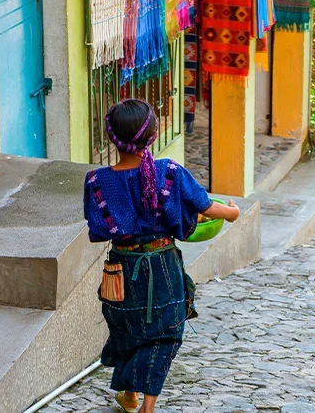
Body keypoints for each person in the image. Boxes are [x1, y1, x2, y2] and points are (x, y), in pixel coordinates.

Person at [84, 99, 240, 413]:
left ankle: (129, 395)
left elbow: (97, 225)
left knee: (128, 328)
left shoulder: (96, 181)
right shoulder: (168, 171)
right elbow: (205, 205)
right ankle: (147, 407)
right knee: (164, 334)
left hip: (120, 268)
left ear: (112, 137)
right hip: (162, 265)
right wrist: (232, 213)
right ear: (153, 134)